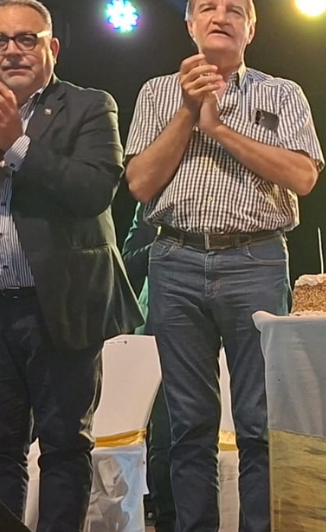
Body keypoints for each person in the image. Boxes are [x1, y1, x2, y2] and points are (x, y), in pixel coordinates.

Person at [0, 0, 142, 531]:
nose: (13, 50)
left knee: (65, 447)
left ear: (52, 48)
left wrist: (18, 146)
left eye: (26, 38)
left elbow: (94, 190)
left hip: (61, 308)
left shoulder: (91, 105)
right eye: (0, 40)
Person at [124, 0, 324, 532]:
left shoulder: (282, 93)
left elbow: (303, 176)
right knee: (188, 425)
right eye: (208, 8)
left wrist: (217, 128)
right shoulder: (157, 92)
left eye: (235, 10)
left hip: (255, 261)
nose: (221, 16)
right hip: (175, 260)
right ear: (190, 24)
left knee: (260, 422)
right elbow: (140, 183)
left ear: (250, 28)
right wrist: (189, 112)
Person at [119, 202, 174, 532]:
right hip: (160, 327)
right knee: (165, 433)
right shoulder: (153, 199)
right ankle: (167, 519)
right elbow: (128, 261)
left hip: (221, 323)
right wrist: (168, 246)